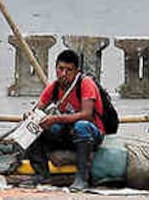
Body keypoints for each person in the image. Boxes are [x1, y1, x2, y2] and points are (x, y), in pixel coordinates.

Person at [25, 49, 107, 191]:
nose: (63, 74)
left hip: (91, 132)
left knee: (82, 126)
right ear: (56, 68)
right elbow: (37, 109)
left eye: (69, 70)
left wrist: (55, 118)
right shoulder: (54, 87)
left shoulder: (86, 84)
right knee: (35, 126)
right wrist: (30, 116)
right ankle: (42, 175)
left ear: (77, 72)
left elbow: (87, 115)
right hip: (68, 131)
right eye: (60, 69)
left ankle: (82, 178)